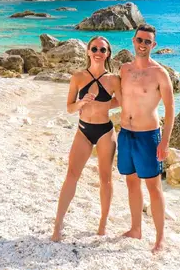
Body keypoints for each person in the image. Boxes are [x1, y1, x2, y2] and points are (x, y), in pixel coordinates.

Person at [51, 36, 121, 242]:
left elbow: (123, 101)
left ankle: (102, 223)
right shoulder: (78, 77)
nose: (98, 52)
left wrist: (105, 105)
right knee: (72, 174)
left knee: (105, 178)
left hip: (105, 132)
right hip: (83, 130)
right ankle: (58, 225)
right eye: (95, 48)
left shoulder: (114, 79)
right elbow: (69, 108)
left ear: (108, 53)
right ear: (88, 52)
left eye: (103, 49)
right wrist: (82, 102)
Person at [117, 24, 175, 253]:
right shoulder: (124, 69)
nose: (142, 45)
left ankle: (160, 238)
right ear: (133, 40)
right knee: (131, 182)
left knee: (154, 187)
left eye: (147, 41)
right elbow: (119, 99)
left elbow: (170, 109)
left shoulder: (159, 73)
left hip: (148, 136)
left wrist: (165, 141)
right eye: (139, 40)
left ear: (154, 45)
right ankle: (136, 229)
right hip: (125, 134)